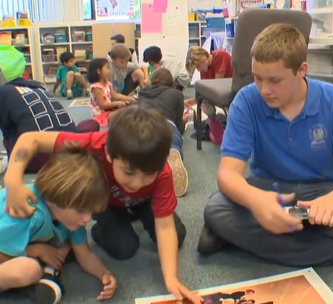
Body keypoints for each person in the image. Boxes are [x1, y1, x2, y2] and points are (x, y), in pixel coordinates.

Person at [198, 23, 333, 288]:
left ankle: (240, 237)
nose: (264, 89)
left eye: (274, 80)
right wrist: (256, 201)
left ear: (302, 70)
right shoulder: (246, 101)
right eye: (257, 78)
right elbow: (227, 173)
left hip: (323, 193)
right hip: (270, 190)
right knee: (215, 208)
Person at [2, 106, 201, 304]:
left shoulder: (162, 173)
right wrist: (12, 181)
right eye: (129, 172)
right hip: (102, 201)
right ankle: (102, 228)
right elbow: (31, 139)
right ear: (108, 154)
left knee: (177, 233)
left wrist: (171, 278)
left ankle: (131, 212)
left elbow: (164, 226)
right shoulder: (96, 144)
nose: (137, 183)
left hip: (145, 200)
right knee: (124, 248)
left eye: (148, 174)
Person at [0, 145, 116, 303]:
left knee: (65, 247)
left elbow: (85, 254)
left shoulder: (70, 219)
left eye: (91, 212)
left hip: (16, 243)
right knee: (29, 270)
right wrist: (36, 250)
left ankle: (42, 276)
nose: (87, 219)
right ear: (51, 201)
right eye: (81, 211)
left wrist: (104, 274)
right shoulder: (27, 211)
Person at [0, 44, 100, 174]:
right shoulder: (39, 87)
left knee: (9, 134)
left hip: (36, 158)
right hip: (71, 147)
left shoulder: (3, 92)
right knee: (91, 123)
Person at [138, 68, 188, 196]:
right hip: (166, 123)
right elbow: (177, 120)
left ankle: (148, 164)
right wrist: (182, 127)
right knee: (173, 141)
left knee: (147, 145)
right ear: (170, 81)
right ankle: (172, 152)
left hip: (144, 124)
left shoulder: (143, 93)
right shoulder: (176, 94)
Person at [186, 46, 232, 145]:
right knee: (200, 122)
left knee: (206, 112)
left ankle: (214, 124)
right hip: (220, 95)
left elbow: (216, 86)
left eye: (198, 66)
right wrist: (192, 101)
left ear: (203, 57)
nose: (199, 70)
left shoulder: (220, 55)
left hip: (230, 93)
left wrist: (202, 99)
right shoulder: (205, 71)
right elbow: (205, 92)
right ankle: (214, 126)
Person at [87, 58, 135, 126]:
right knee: (126, 114)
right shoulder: (96, 87)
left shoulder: (107, 83)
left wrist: (129, 98)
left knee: (130, 109)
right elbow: (102, 105)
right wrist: (117, 103)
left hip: (109, 110)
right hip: (101, 114)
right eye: (107, 68)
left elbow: (115, 95)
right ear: (98, 71)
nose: (109, 71)